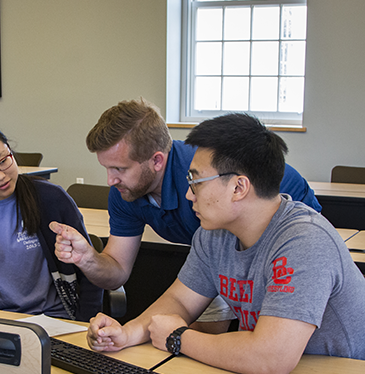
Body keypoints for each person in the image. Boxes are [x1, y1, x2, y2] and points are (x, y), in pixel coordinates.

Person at [79, 113, 365, 374]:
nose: (189, 194)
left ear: (238, 188)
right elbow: (179, 302)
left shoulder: (305, 240)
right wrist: (127, 334)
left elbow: (271, 358)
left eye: (196, 182)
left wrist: (178, 337)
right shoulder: (214, 234)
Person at [50, 98, 321, 331]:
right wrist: (88, 259)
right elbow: (119, 271)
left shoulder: (207, 184)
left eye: (119, 168)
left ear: (157, 160)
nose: (110, 180)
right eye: (107, 168)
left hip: (278, 233)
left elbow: (222, 293)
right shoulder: (127, 190)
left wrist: (180, 336)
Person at [0, 121, 102, 321]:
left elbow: (91, 269)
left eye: (4, 160)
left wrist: (86, 325)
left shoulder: (51, 199)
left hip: (53, 322)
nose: (0, 176)